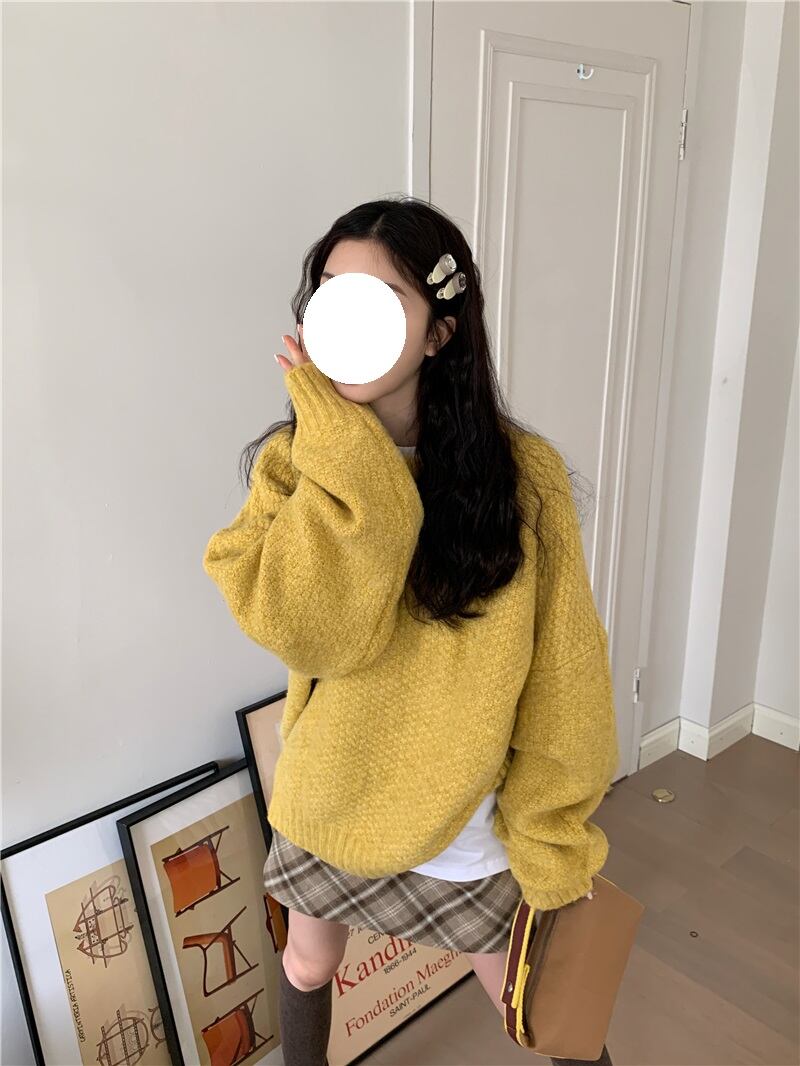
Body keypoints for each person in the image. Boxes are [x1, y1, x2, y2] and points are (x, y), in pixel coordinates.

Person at [203, 195, 619, 1066]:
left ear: (440, 332)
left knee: (539, 1008)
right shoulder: (296, 462)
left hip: (462, 814)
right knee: (307, 963)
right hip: (330, 793)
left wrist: (554, 837)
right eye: (330, 293)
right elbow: (313, 636)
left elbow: (565, 679)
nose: (345, 318)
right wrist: (347, 459)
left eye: (381, 299)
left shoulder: (525, 479)